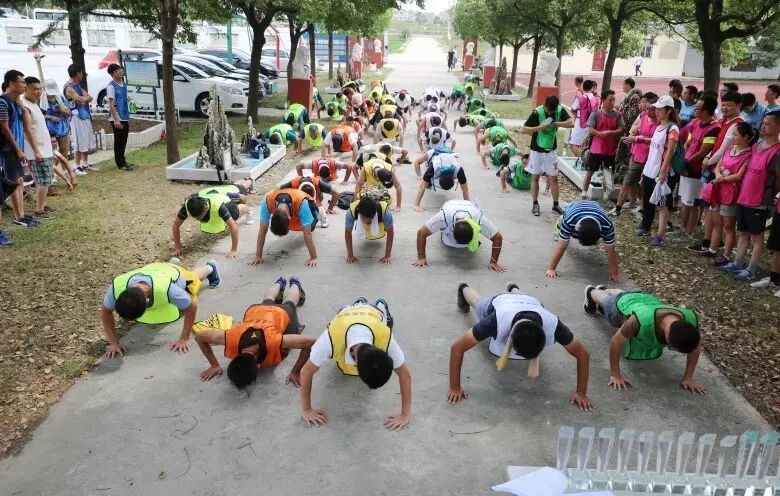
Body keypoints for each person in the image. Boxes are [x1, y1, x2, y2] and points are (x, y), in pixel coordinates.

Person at [448, 282, 593, 410]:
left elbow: (583, 354)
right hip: (502, 302)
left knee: (524, 297)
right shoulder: (495, 320)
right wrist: (455, 387)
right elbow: (457, 347)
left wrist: (581, 393)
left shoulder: (553, 324)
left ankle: (513, 289)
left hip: (530, 302)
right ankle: (463, 288)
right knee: (477, 302)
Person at [299, 297, 412, 430]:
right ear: (356, 364)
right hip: (345, 316)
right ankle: (358, 305)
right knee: (346, 369)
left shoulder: (385, 336)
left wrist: (405, 415)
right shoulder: (329, 339)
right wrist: (306, 410)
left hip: (373, 315)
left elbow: (405, 375)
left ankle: (378, 307)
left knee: (379, 315)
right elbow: (306, 371)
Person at [193, 277, 314, 387]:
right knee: (268, 300)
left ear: (258, 365)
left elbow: (310, 342)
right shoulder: (230, 338)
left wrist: (296, 372)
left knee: (290, 303)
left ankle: (294, 283)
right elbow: (199, 336)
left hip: (279, 313)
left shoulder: (273, 341)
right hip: (256, 310)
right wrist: (214, 365)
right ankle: (280, 283)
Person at [584, 286, 705, 394]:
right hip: (620, 307)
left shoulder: (689, 319)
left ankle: (606, 289)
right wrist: (615, 375)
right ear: (668, 333)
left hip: (643, 298)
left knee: (625, 295)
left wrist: (688, 378)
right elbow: (615, 342)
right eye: (671, 346)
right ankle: (591, 291)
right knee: (605, 301)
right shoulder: (639, 320)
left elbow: (695, 349)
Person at [101, 259, 221, 358]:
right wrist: (113, 343)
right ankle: (172, 263)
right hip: (153, 269)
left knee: (194, 280)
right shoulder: (117, 286)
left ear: (147, 301)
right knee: (169, 275)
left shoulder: (169, 290)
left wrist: (184, 338)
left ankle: (210, 267)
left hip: (172, 274)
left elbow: (191, 307)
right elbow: (106, 311)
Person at [720, 112, 780, 282]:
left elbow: (778, 179)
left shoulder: (777, 152)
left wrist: (771, 196)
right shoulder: (757, 145)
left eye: (768, 124)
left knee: (757, 235)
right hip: (745, 195)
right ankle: (738, 263)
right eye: (763, 122)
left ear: (778, 127)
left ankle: (751, 269)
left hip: (760, 200)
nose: (763, 126)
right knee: (743, 232)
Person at [695, 92, 744, 251]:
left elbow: (723, 150)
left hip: (723, 171)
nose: (724, 108)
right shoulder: (723, 121)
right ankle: (707, 240)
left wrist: (708, 161)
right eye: (723, 104)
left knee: (716, 210)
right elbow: (716, 145)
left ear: (739, 105)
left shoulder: (737, 124)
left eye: (729, 105)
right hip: (714, 167)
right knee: (709, 207)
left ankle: (713, 243)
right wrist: (707, 157)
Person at [703, 122, 753, 265]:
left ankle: (726, 255)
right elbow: (718, 166)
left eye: (736, 135)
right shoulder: (730, 149)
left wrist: (722, 179)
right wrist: (719, 175)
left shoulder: (748, 155)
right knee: (717, 222)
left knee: (729, 226)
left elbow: (739, 176)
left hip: (731, 194)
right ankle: (712, 249)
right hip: (718, 190)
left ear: (745, 137)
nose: (733, 137)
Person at [413, 199, 505, 272]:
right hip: (450, 205)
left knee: (466, 245)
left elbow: (498, 237)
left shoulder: (478, 218)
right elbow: (421, 233)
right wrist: (421, 258)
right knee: (449, 243)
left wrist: (494, 262)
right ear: (452, 231)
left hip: (470, 206)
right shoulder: (444, 216)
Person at [636, 96, 679, 246]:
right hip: (649, 170)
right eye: (657, 109)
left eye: (660, 109)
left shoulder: (672, 129)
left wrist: (662, 171)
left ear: (669, 111)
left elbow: (670, 152)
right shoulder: (658, 126)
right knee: (648, 201)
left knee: (661, 205)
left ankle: (660, 235)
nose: (657, 111)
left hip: (661, 173)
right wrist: (645, 170)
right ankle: (646, 227)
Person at [521, 95, 573, 216]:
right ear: (545, 105)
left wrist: (556, 123)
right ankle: (535, 204)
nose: (550, 112)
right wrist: (540, 127)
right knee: (535, 178)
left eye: (552, 111)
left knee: (553, 178)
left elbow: (571, 123)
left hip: (551, 151)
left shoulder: (559, 110)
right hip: (536, 150)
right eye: (548, 110)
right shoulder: (537, 112)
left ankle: (556, 205)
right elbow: (523, 130)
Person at [546, 200, 620, 281]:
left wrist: (614, 273)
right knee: (564, 235)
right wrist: (551, 268)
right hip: (574, 207)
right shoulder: (569, 221)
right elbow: (561, 246)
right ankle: (560, 223)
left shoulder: (607, 226)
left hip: (595, 206)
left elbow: (610, 250)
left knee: (608, 246)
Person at [173, 183, 250, 259]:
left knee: (234, 211)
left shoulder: (218, 205)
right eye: (196, 218)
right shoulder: (188, 204)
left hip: (233, 192)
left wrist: (233, 250)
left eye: (200, 217)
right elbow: (176, 226)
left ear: (206, 208)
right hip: (217, 190)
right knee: (236, 184)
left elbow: (234, 228)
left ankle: (250, 183)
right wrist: (178, 248)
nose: (199, 219)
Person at [680, 95, 720, 238]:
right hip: (686, 165)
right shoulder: (696, 122)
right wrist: (683, 158)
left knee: (694, 202)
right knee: (685, 200)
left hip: (697, 170)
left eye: (698, 108)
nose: (694, 110)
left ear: (707, 111)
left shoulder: (714, 128)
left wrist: (688, 162)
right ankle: (683, 227)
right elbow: (689, 142)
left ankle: (690, 230)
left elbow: (703, 151)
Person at [613, 92, 658, 216]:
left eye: (651, 109)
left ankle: (642, 209)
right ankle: (618, 208)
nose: (647, 111)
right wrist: (633, 133)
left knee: (644, 185)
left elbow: (655, 141)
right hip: (635, 155)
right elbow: (634, 129)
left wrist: (637, 138)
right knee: (627, 182)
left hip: (649, 159)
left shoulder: (660, 124)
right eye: (647, 108)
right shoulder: (643, 117)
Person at [1, 70, 36, 228]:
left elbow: (27, 122)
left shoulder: (15, 103)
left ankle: (21, 214)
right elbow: (5, 129)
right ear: (11, 83)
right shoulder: (3, 103)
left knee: (20, 181)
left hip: (17, 148)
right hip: (9, 149)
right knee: (14, 181)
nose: (24, 85)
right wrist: (17, 150)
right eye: (21, 82)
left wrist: (22, 106)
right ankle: (18, 217)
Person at [250, 188, 319, 267]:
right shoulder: (267, 202)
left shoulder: (302, 204)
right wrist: (258, 256)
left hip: (310, 205)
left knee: (310, 227)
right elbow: (263, 230)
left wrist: (313, 257)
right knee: (298, 226)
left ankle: (319, 212)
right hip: (292, 208)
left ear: (290, 218)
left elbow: (308, 234)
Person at [20, 76, 55, 219]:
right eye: (34, 89)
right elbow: (27, 130)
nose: (38, 91)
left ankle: (42, 205)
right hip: (37, 150)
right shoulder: (24, 105)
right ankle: (39, 209)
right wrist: (36, 151)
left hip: (44, 148)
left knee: (46, 178)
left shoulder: (34, 103)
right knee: (43, 179)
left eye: (40, 89)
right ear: (26, 89)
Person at [583, 89, 624, 199]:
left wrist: (610, 133)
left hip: (610, 151)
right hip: (595, 150)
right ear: (603, 100)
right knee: (589, 172)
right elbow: (590, 129)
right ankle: (584, 194)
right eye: (610, 100)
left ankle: (607, 197)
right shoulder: (596, 113)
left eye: (614, 100)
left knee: (608, 174)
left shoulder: (617, 115)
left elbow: (621, 129)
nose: (613, 102)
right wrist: (600, 134)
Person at [63, 64, 95, 173]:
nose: (82, 75)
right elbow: (80, 100)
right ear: (78, 73)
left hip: (84, 114)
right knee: (78, 141)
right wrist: (84, 98)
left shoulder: (77, 85)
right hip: (76, 117)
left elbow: (89, 97)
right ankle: (77, 165)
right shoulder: (69, 87)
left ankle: (85, 163)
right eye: (81, 73)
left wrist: (84, 98)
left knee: (86, 139)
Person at [345, 195, 394, 264]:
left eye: (370, 218)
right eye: (363, 218)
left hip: (380, 229)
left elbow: (390, 232)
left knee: (385, 223)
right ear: (358, 211)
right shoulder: (351, 211)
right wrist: (350, 255)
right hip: (362, 228)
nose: (366, 221)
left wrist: (387, 255)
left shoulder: (385, 212)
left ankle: (370, 221)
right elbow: (347, 233)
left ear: (375, 211)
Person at [612, 78, 643, 189]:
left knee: (625, 154)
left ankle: (623, 176)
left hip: (627, 131)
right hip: (624, 130)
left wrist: (624, 126)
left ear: (629, 85)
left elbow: (632, 116)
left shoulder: (634, 97)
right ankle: (620, 174)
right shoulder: (628, 96)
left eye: (624, 84)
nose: (622, 86)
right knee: (620, 153)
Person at [106, 63, 132, 171]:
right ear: (113, 73)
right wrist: (116, 120)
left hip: (124, 116)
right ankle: (120, 164)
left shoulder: (123, 84)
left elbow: (123, 99)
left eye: (120, 69)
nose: (120, 72)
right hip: (117, 117)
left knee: (124, 140)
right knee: (119, 141)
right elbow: (111, 104)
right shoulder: (111, 86)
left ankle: (123, 161)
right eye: (117, 70)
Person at [42, 78, 71, 172]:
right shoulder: (40, 100)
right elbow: (37, 116)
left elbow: (69, 113)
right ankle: (52, 173)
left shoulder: (61, 98)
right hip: (48, 131)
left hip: (63, 129)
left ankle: (65, 171)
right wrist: (50, 117)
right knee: (51, 154)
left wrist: (62, 111)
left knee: (64, 151)